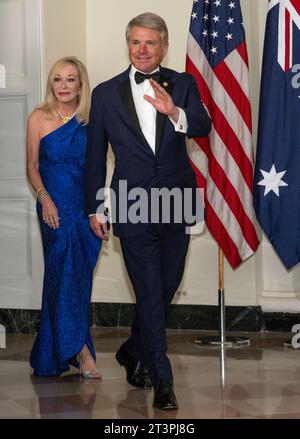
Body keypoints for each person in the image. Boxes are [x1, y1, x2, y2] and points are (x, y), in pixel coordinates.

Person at [85, 13, 211, 409]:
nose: (142, 49)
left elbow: (203, 127)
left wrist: (175, 112)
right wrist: (97, 208)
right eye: (136, 42)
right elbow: (94, 159)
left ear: (164, 46)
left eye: (150, 43)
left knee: (164, 288)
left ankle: (131, 350)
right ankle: (163, 378)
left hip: (177, 199)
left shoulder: (184, 83)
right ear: (128, 45)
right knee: (149, 291)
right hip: (131, 202)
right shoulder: (106, 94)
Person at [27, 56, 103, 379]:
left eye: (70, 79)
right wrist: (45, 199)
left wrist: (98, 210)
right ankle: (81, 352)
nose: (63, 86)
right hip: (52, 208)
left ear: (80, 84)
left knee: (77, 277)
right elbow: (31, 167)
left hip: (82, 208)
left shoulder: (90, 121)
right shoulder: (38, 118)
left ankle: (52, 351)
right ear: (51, 83)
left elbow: (97, 169)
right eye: (57, 79)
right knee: (61, 271)